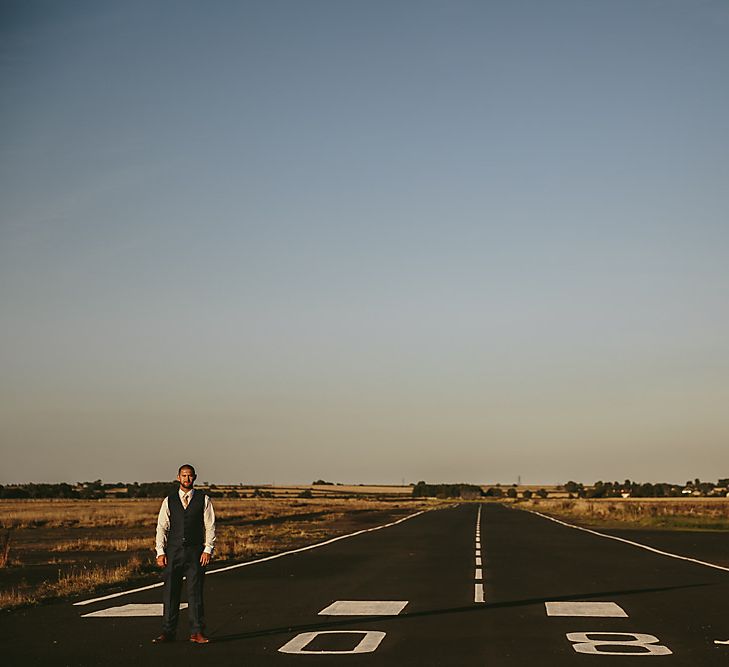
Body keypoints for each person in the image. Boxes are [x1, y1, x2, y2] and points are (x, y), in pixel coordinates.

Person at [153, 464, 216, 644]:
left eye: (189, 476)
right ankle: (168, 632)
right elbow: (162, 527)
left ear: (194, 477)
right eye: (183, 476)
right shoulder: (169, 500)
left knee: (195, 593)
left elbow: (210, 526)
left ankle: (197, 632)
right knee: (170, 592)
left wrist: (208, 549)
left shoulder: (204, 499)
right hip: (173, 553)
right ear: (178, 477)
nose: (187, 479)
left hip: (195, 553)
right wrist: (160, 551)